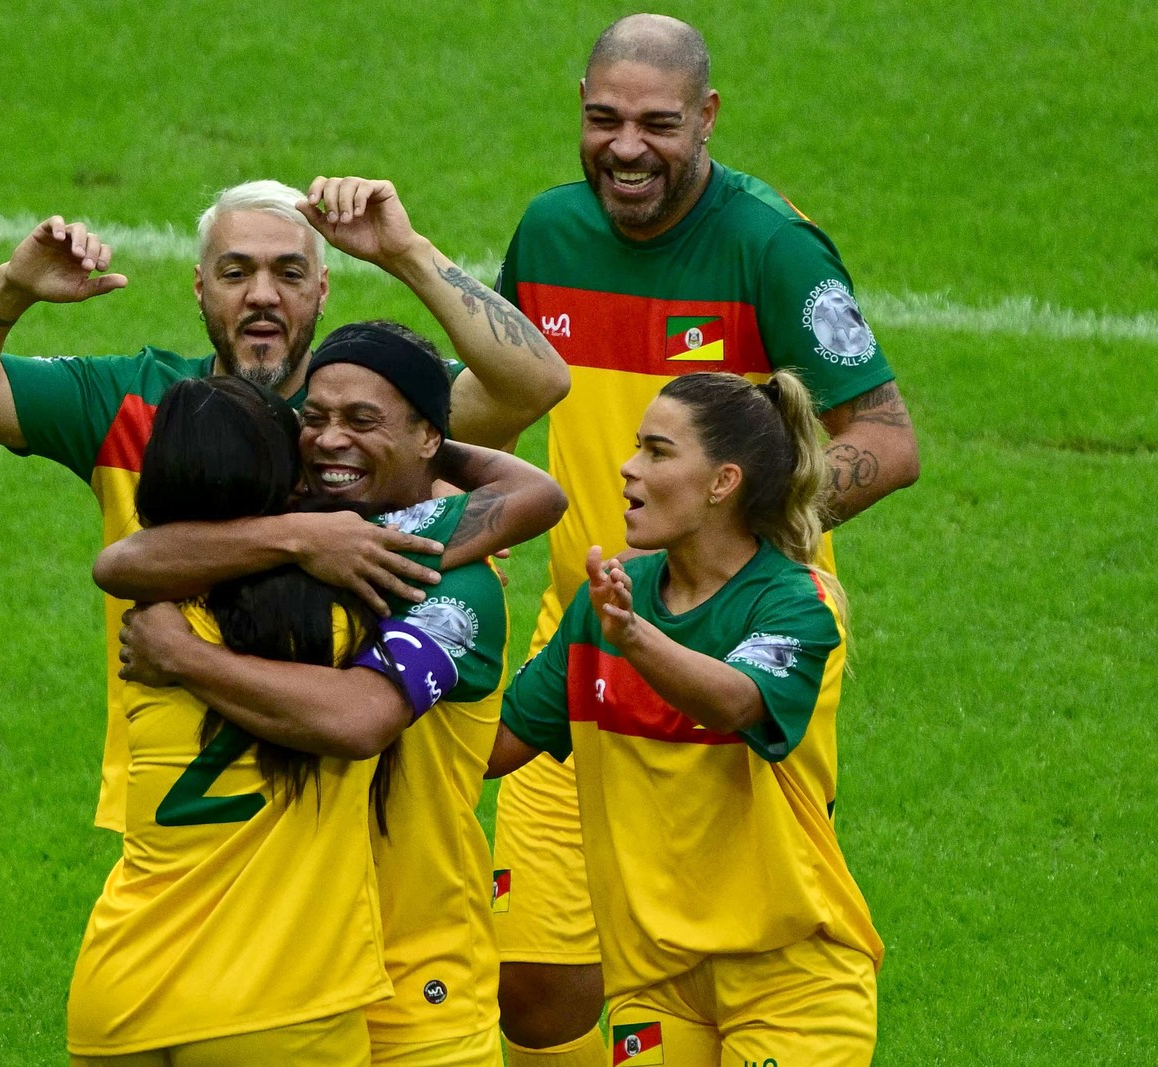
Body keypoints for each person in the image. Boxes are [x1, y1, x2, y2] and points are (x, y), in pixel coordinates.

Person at [489, 15, 918, 1063]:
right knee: (534, 988)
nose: (625, 147)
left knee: (738, 922)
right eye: (602, 119)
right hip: (583, 631)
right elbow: (493, 405)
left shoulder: (770, 246)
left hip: (743, 629)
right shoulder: (546, 236)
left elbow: (888, 440)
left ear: (707, 117)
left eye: (656, 123)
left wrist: (743, 535)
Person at [0, 175, 569, 836]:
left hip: (344, 823)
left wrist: (406, 253)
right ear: (200, 287)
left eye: (288, 273)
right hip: (181, 800)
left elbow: (535, 381)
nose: (262, 296)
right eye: (235, 272)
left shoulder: (373, 419)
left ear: (322, 289)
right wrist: (10, 288)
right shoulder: (131, 400)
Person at [110, 322, 563, 1067]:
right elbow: (123, 560)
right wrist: (297, 532)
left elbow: (359, 717)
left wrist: (185, 656)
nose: (327, 440)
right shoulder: (290, 539)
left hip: (419, 986)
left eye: (362, 420)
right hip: (289, 971)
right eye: (312, 418)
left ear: (426, 435)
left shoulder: (444, 570)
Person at [487, 370, 883, 1067]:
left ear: (722, 481)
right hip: (655, 979)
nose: (628, 466)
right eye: (637, 447)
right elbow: (494, 746)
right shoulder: (608, 600)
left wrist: (634, 636)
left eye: (657, 452)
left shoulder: (796, 601)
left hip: (791, 983)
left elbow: (735, 700)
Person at [67, 374, 399, 1066]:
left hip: (121, 989)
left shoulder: (149, 626)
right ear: (285, 489)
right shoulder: (345, 626)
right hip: (281, 999)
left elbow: (125, 559)